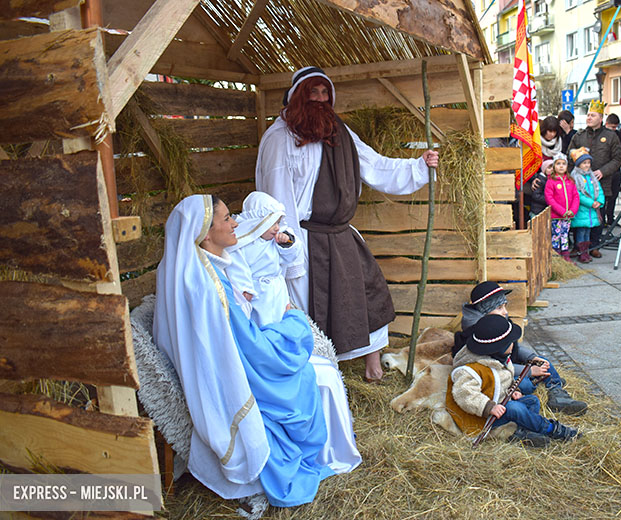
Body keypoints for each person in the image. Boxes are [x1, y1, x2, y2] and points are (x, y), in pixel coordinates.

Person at [153, 194, 359, 507]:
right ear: (204, 233)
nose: (234, 222)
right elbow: (252, 347)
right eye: (225, 219)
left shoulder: (198, 269)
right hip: (235, 378)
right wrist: (294, 326)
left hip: (228, 363)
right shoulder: (211, 287)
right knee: (310, 378)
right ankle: (324, 452)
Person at [256, 67, 438, 382]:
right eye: (313, 93)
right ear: (298, 97)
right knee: (314, 311)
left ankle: (372, 362)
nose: (321, 99)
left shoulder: (338, 130)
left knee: (369, 296)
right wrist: (290, 252)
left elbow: (374, 164)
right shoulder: (280, 139)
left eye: (325, 93)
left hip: (341, 235)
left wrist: (418, 166)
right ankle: (322, 372)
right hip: (304, 240)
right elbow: (278, 198)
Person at [452, 281, 587, 415]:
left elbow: (512, 346)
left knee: (543, 361)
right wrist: (529, 371)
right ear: (484, 310)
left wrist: (531, 357)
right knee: (526, 384)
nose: (505, 312)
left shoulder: (498, 321)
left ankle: (556, 392)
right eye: (499, 307)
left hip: (511, 362)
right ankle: (545, 382)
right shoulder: (482, 334)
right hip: (498, 374)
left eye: (505, 306)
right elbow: (496, 366)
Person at [446, 314, 581, 447]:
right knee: (514, 408)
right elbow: (465, 395)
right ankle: (552, 429)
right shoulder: (470, 370)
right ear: (500, 346)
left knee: (532, 401)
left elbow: (500, 382)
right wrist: (489, 407)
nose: (513, 345)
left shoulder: (499, 359)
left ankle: (526, 431)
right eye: (510, 342)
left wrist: (514, 390)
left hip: (500, 406)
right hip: (480, 418)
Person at [225, 191, 302, 327]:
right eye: (272, 223)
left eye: (278, 222)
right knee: (262, 322)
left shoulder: (276, 240)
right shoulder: (242, 243)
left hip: (277, 290)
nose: (277, 227)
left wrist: (287, 243)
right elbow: (237, 267)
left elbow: (291, 256)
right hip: (258, 294)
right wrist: (245, 287)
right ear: (258, 222)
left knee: (281, 320)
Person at [566, 99, 621, 246]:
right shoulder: (579, 136)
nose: (589, 118)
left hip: (601, 183)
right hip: (581, 185)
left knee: (599, 214)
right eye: (588, 115)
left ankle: (595, 245)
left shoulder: (611, 136)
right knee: (580, 215)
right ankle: (580, 245)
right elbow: (569, 157)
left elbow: (618, 158)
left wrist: (603, 172)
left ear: (601, 118)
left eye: (592, 115)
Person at [569, 147, 605, 264]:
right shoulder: (575, 177)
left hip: (591, 211)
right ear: (578, 164)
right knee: (581, 232)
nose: (587, 165)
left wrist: (599, 201)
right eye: (584, 163)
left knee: (587, 232)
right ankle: (581, 252)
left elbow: (599, 189)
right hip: (582, 210)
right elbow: (578, 194)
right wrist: (591, 203)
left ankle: (586, 251)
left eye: (588, 163)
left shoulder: (591, 176)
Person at [544, 153, 579, 262]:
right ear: (554, 166)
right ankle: (555, 257)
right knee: (556, 236)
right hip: (556, 216)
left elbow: (575, 196)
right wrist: (562, 211)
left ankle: (565, 256)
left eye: (563, 164)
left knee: (565, 235)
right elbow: (549, 199)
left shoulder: (570, 181)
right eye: (558, 163)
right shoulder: (551, 182)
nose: (561, 166)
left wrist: (572, 211)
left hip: (567, 216)